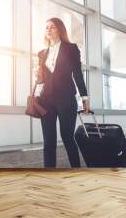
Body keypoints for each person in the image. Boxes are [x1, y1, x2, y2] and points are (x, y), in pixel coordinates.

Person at [36, 17, 90, 168]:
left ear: (60, 29)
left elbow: (77, 74)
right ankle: (49, 174)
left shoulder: (71, 48)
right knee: (48, 141)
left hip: (66, 99)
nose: (49, 29)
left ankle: (76, 170)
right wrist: (38, 82)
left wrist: (84, 98)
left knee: (67, 137)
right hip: (46, 100)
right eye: (46, 27)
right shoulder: (41, 53)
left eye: (52, 27)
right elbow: (42, 80)